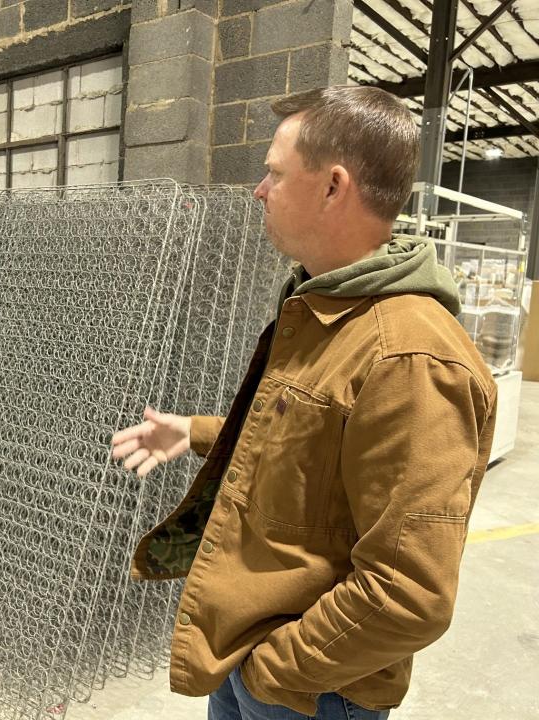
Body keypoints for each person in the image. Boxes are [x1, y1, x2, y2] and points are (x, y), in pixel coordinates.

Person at [111, 85, 498, 720]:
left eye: (273, 172)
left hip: (311, 690)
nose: (259, 190)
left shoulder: (409, 358)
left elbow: (410, 592)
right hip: (249, 652)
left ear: (332, 186)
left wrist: (277, 670)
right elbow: (312, 436)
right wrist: (200, 431)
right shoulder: (328, 306)